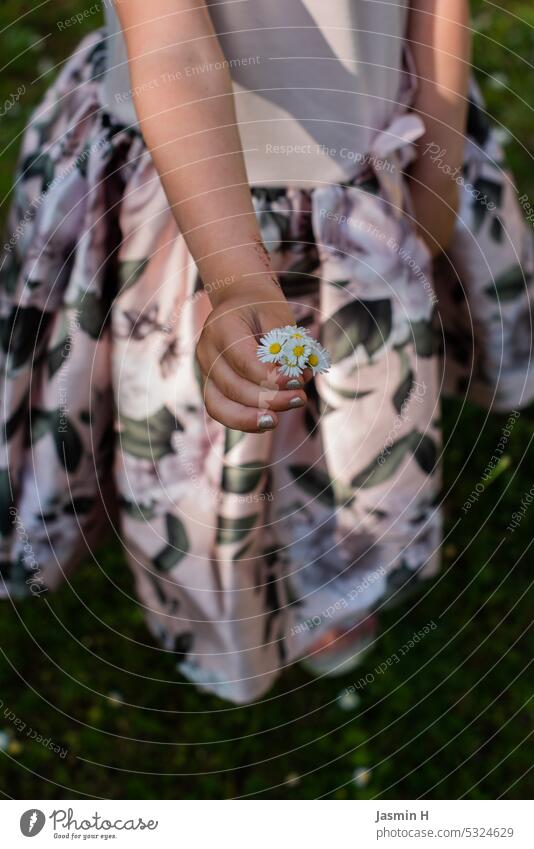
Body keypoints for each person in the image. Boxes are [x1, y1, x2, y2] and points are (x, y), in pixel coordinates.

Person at [1, 1, 532, 703]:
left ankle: (333, 573)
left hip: (371, 145)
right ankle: (235, 610)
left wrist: (439, 155)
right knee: (213, 438)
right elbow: (174, 48)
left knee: (354, 417)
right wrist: (235, 274)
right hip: (198, 194)